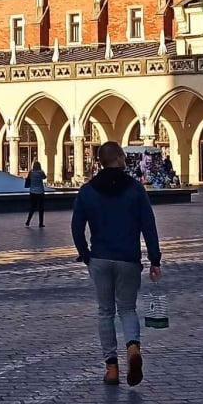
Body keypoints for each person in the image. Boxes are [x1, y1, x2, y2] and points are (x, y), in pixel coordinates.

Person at [71, 141, 162, 387]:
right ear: (120, 158)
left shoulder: (87, 191)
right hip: (127, 259)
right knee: (128, 309)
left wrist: (85, 254)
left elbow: (77, 227)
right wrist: (155, 259)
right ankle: (133, 348)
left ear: (101, 161)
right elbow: (148, 225)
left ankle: (111, 368)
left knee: (105, 312)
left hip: (99, 258)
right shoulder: (135, 190)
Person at [24, 160, 47, 227]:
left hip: (32, 192)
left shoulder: (31, 172)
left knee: (32, 207)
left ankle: (28, 221)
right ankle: (41, 223)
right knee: (41, 208)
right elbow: (44, 177)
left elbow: (28, 178)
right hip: (40, 192)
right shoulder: (41, 172)